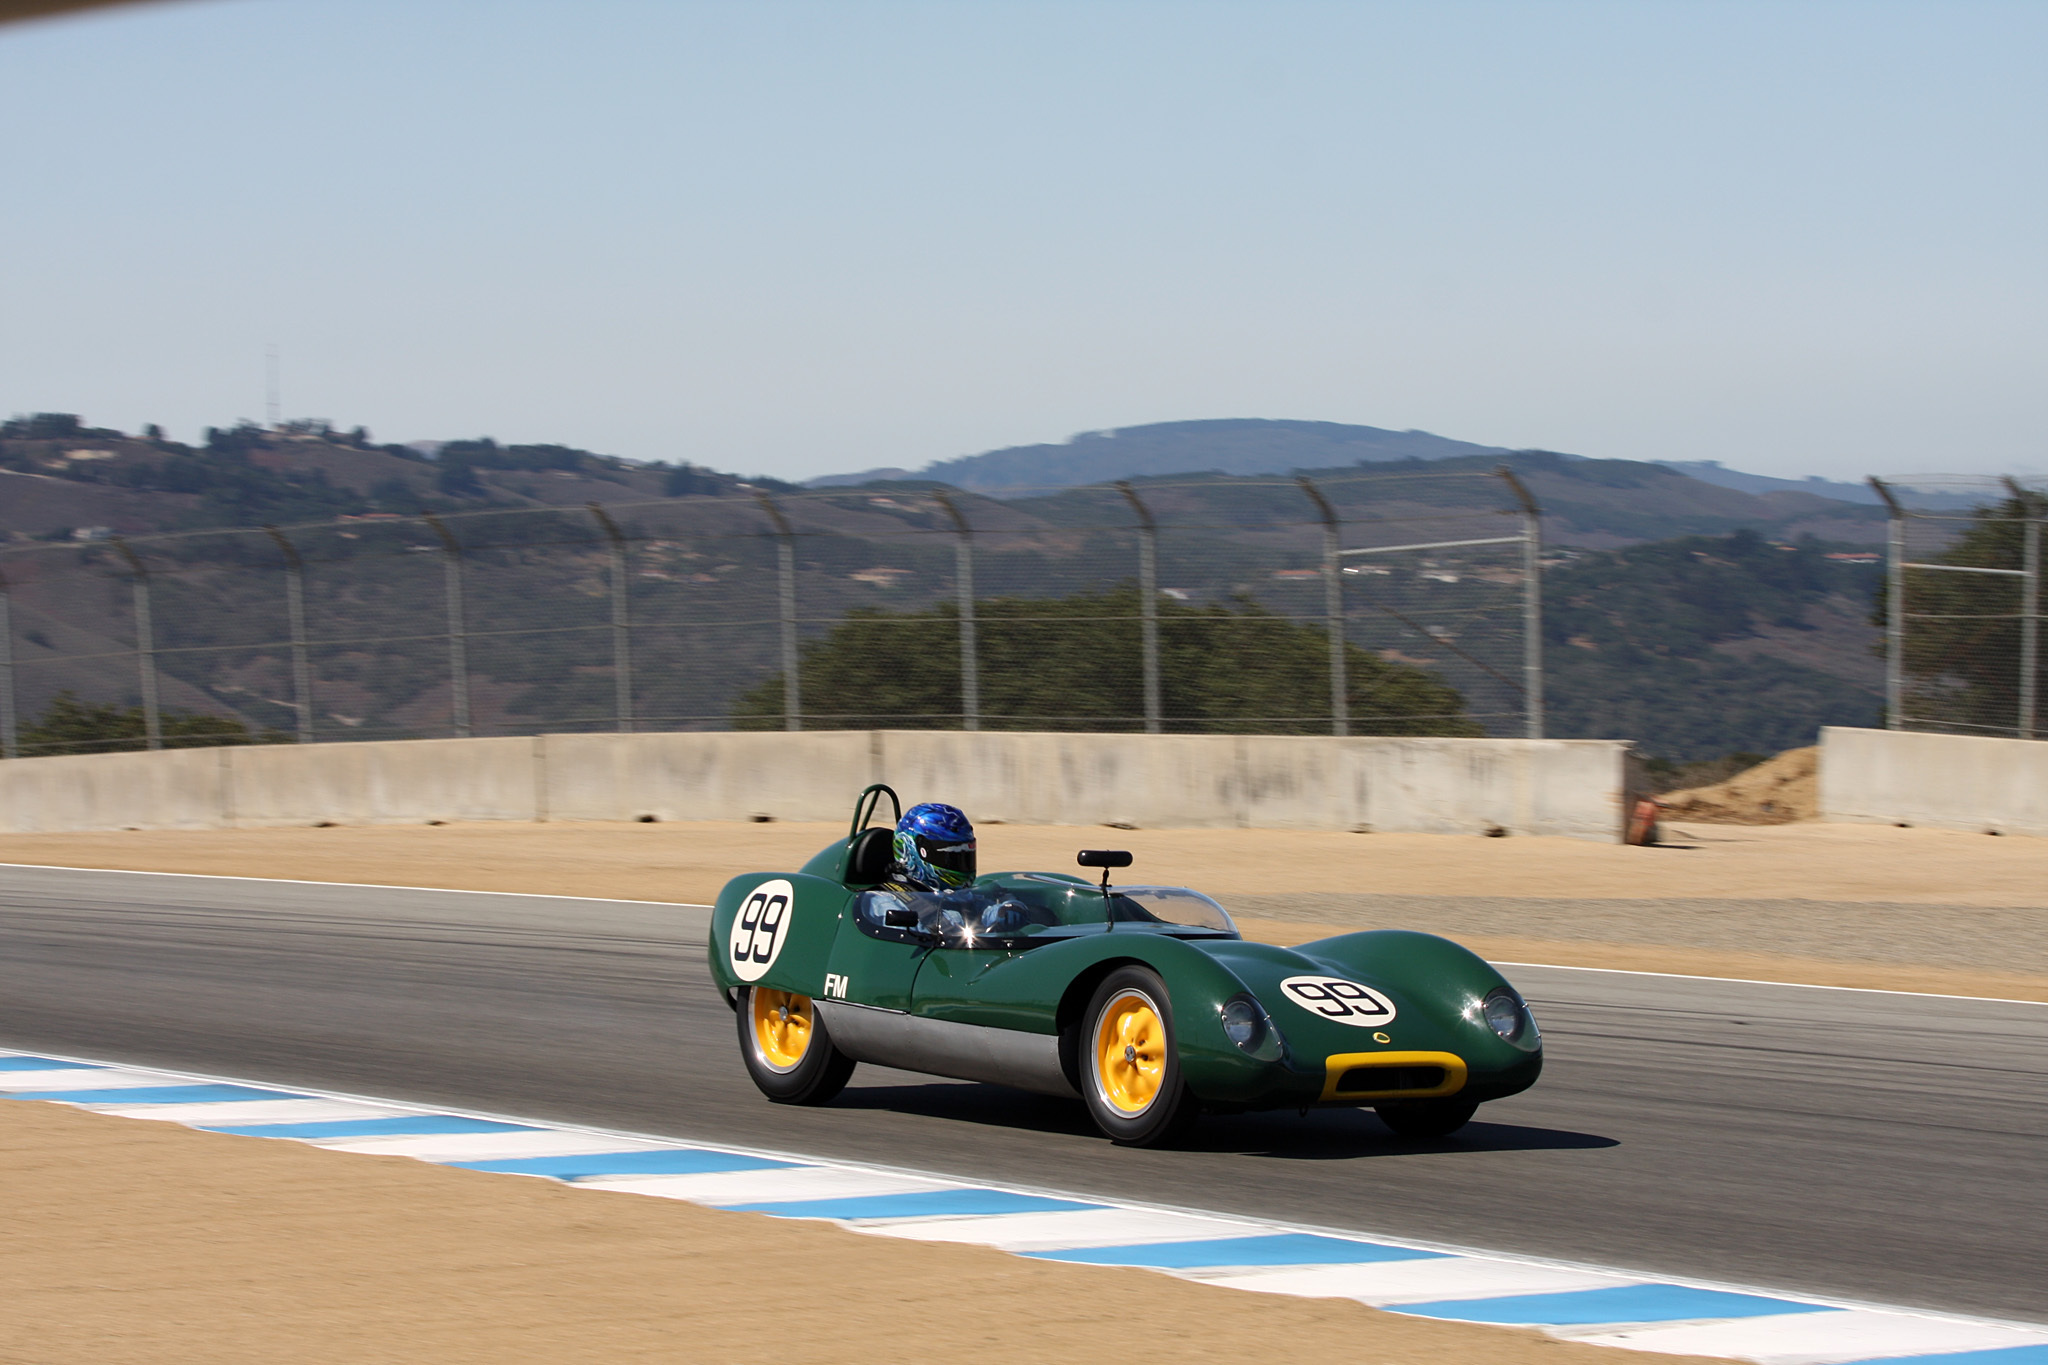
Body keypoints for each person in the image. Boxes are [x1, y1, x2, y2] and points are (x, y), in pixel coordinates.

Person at [886, 801, 977, 892]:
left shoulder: (966, 897)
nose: (960, 864)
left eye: (966, 857)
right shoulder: (888, 901)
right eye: (951, 857)